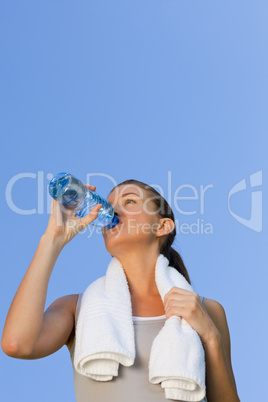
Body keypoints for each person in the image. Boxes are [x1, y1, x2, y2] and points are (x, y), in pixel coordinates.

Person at [1, 179, 240, 401]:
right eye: (109, 203)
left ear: (162, 226)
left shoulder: (205, 309)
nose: (112, 210)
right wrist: (52, 239)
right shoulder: (77, 309)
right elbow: (16, 344)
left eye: (129, 201)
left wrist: (210, 337)